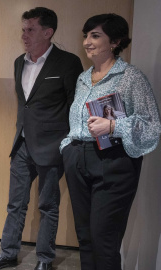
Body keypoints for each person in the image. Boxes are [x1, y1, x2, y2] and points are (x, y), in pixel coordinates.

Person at [0, 7, 83, 270]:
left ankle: (45, 260)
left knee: (48, 206)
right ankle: (8, 253)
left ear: (48, 32)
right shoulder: (18, 62)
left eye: (31, 29)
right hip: (22, 144)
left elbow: (75, 105)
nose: (24, 35)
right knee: (16, 203)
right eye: (23, 29)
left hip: (52, 147)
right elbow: (25, 105)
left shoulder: (68, 62)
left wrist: (68, 142)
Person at [60, 14, 161, 270]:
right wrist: (67, 147)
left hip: (114, 162)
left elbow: (152, 126)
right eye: (86, 35)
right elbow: (78, 120)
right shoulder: (84, 77)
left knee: (104, 240)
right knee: (84, 237)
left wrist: (114, 125)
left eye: (95, 35)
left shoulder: (130, 77)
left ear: (115, 41)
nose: (87, 42)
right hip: (78, 159)